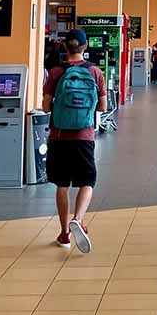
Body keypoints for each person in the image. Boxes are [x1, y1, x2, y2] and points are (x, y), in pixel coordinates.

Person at [42, 29, 107, 253]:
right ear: (85, 46)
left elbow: (45, 107)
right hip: (84, 136)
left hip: (59, 136)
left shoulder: (56, 72)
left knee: (62, 184)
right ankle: (78, 219)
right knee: (87, 181)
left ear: (64, 47)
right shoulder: (95, 72)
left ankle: (64, 233)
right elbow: (103, 106)